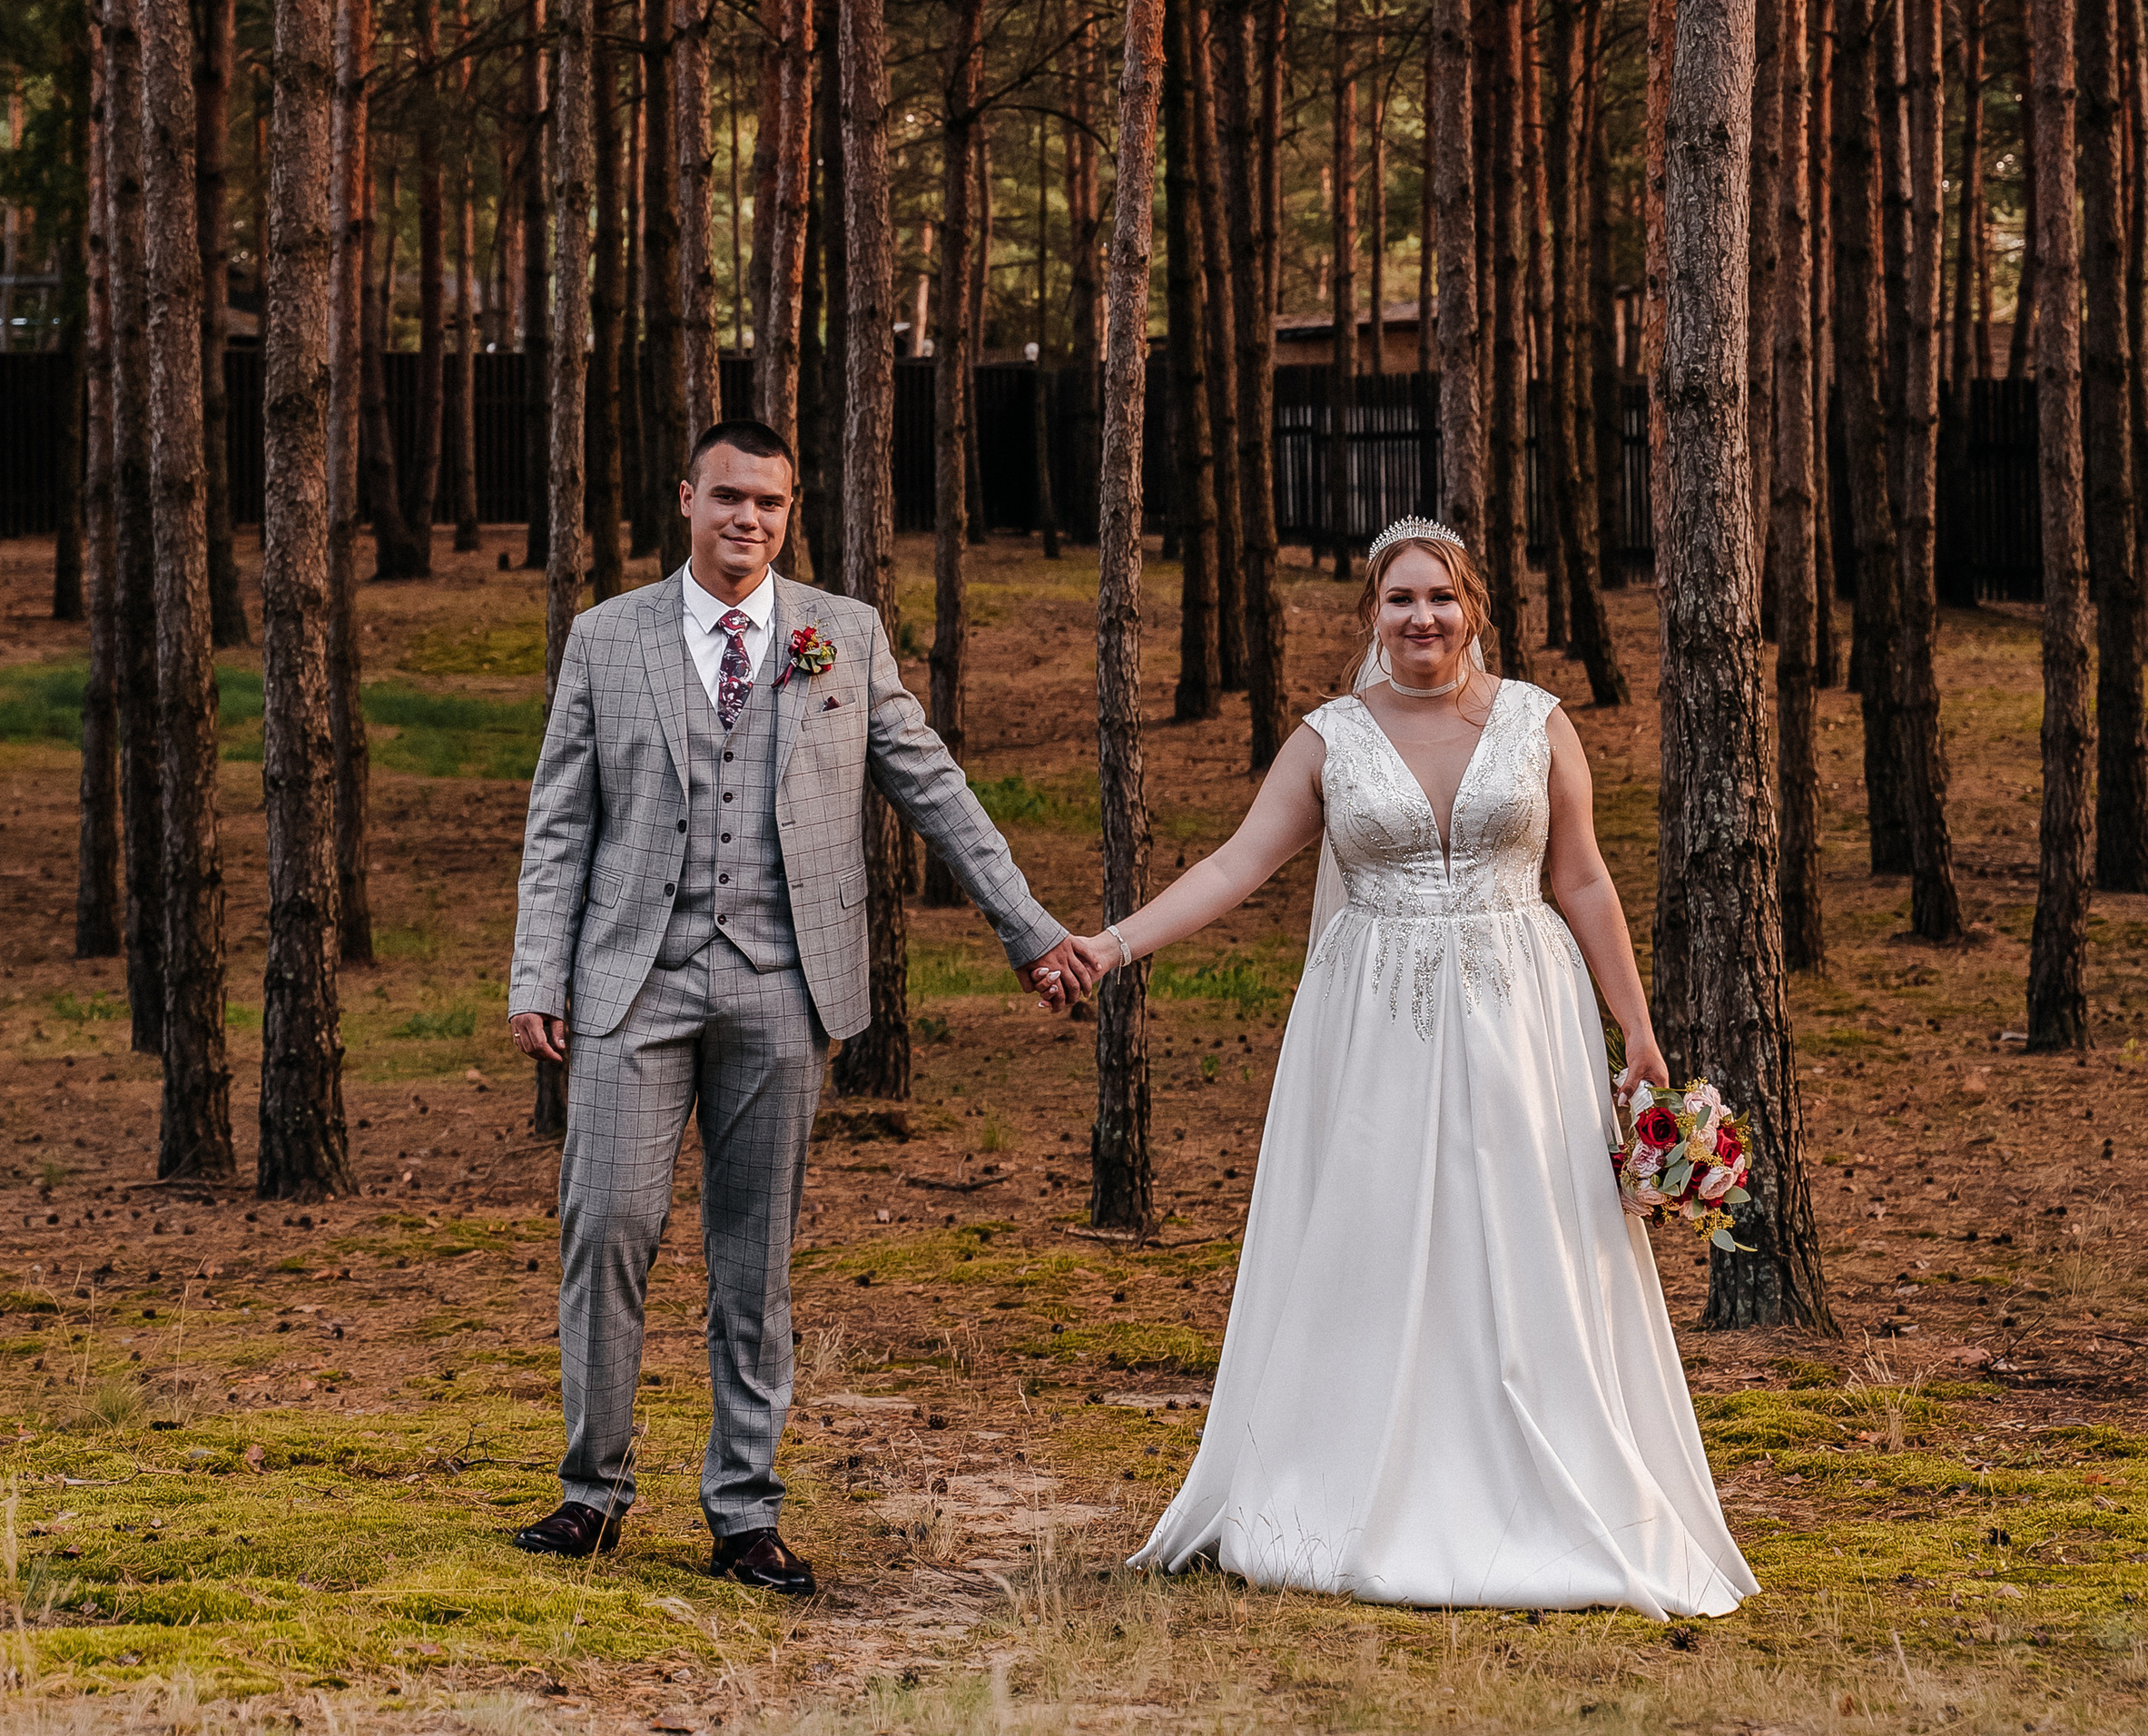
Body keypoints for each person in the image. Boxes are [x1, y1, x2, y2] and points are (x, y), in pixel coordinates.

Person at [1060, 517, 1759, 1617]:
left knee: (1524, 1229)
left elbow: (1580, 880)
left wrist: (1636, 1032)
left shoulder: (1537, 724)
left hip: (1520, 1012)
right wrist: (1112, 944)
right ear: (1371, 616)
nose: (1421, 616)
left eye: (1440, 596)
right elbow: (1238, 863)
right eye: (1399, 600)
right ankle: (1349, 1480)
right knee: (1375, 1231)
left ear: (1473, 607)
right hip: (1373, 1016)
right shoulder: (1329, 738)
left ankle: (1538, 1477)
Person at [506, 419, 1102, 1594]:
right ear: (687, 499)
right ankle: (592, 1493)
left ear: (789, 513)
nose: (749, 521)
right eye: (729, 498)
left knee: (755, 1259)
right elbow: (559, 818)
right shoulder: (606, 639)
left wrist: (1027, 927)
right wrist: (539, 971)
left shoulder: (841, 636)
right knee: (607, 1230)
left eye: (770, 505)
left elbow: (931, 783)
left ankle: (743, 1512)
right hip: (634, 979)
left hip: (784, 983)